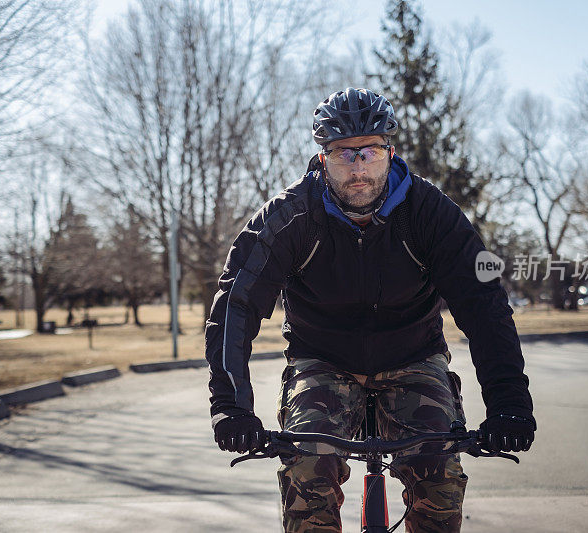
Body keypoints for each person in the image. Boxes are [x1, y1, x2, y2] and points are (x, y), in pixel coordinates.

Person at [206, 87, 535, 532]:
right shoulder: (290, 217)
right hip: (321, 362)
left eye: (370, 153)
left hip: (414, 359)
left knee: (438, 475)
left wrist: (509, 403)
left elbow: (485, 305)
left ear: (390, 151)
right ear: (323, 159)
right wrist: (232, 407)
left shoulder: (430, 212)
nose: (359, 168)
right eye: (344, 154)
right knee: (308, 471)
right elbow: (236, 304)